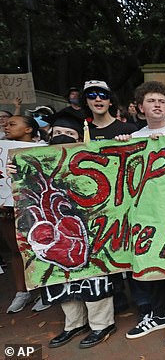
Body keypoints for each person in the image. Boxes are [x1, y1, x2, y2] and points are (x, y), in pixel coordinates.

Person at [118, 81, 165, 349]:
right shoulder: (135, 138)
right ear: (140, 107)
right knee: (151, 265)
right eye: (151, 101)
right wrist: (121, 147)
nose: (157, 105)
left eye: (162, 100)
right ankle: (160, 315)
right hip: (145, 215)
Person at [40, 111, 117, 349]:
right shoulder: (36, 158)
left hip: (88, 227)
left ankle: (101, 324)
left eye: (70, 133)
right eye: (59, 132)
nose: (63, 136)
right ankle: (73, 324)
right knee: (60, 277)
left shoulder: (92, 159)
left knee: (92, 276)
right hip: (53, 230)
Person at [1, 116, 44, 313]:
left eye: (12, 124)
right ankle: (22, 292)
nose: (6, 126)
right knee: (16, 250)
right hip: (6, 210)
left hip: (36, 208)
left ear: (28, 130)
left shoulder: (44, 149)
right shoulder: (1, 150)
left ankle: (45, 291)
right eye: (6, 124)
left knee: (40, 249)